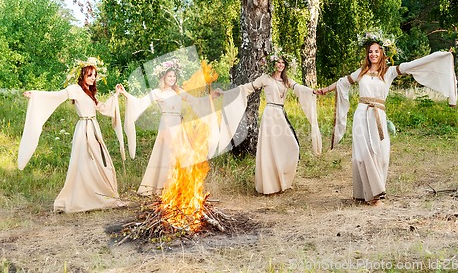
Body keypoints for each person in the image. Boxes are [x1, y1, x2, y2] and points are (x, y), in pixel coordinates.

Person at [316, 32, 458, 206]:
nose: (373, 54)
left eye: (376, 51)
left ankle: (377, 192)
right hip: (361, 114)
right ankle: (367, 195)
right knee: (361, 155)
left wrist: (440, 56)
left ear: (382, 53)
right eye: (370, 51)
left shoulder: (389, 72)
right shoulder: (362, 72)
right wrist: (324, 90)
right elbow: (342, 83)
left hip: (378, 115)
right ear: (367, 54)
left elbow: (413, 65)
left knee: (380, 154)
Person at [18, 57, 127, 213]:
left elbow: (103, 108)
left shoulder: (90, 93)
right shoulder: (76, 89)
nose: (93, 78)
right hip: (84, 130)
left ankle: (105, 195)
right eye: (90, 75)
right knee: (85, 163)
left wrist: (116, 95)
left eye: (95, 75)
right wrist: (36, 95)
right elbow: (57, 95)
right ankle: (85, 197)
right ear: (82, 75)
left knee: (104, 163)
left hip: (93, 128)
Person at [216, 51, 322, 195]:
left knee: (292, 145)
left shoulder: (286, 80)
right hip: (270, 114)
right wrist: (225, 93)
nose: (280, 65)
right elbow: (246, 88)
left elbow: (299, 88)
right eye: (278, 62)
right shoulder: (265, 78)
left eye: (283, 62)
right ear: (273, 64)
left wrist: (313, 91)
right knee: (269, 149)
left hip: (280, 114)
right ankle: (269, 186)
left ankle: (283, 181)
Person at [116, 59, 216, 196]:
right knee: (168, 154)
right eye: (169, 76)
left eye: (174, 76)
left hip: (178, 125)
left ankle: (180, 186)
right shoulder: (157, 92)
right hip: (167, 125)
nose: (172, 78)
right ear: (163, 77)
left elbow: (195, 101)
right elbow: (140, 103)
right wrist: (124, 93)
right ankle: (164, 187)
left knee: (181, 154)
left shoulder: (178, 91)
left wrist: (212, 97)